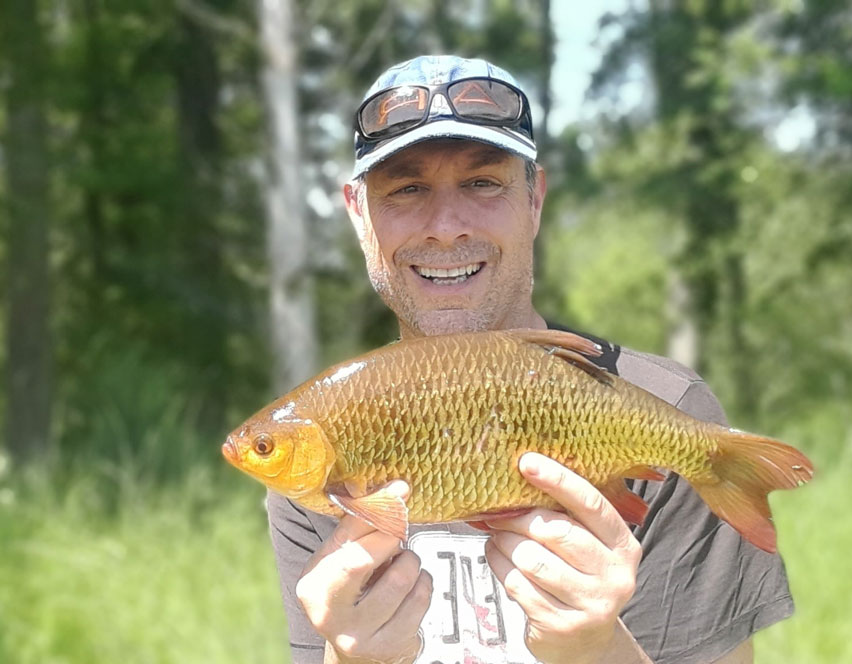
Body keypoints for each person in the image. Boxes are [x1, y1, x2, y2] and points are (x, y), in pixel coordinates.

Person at [266, 54, 795, 664]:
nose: (445, 226)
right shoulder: (320, 455)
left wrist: (592, 648)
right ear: (359, 213)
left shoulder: (668, 413)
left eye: (482, 182)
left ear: (534, 198)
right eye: (407, 189)